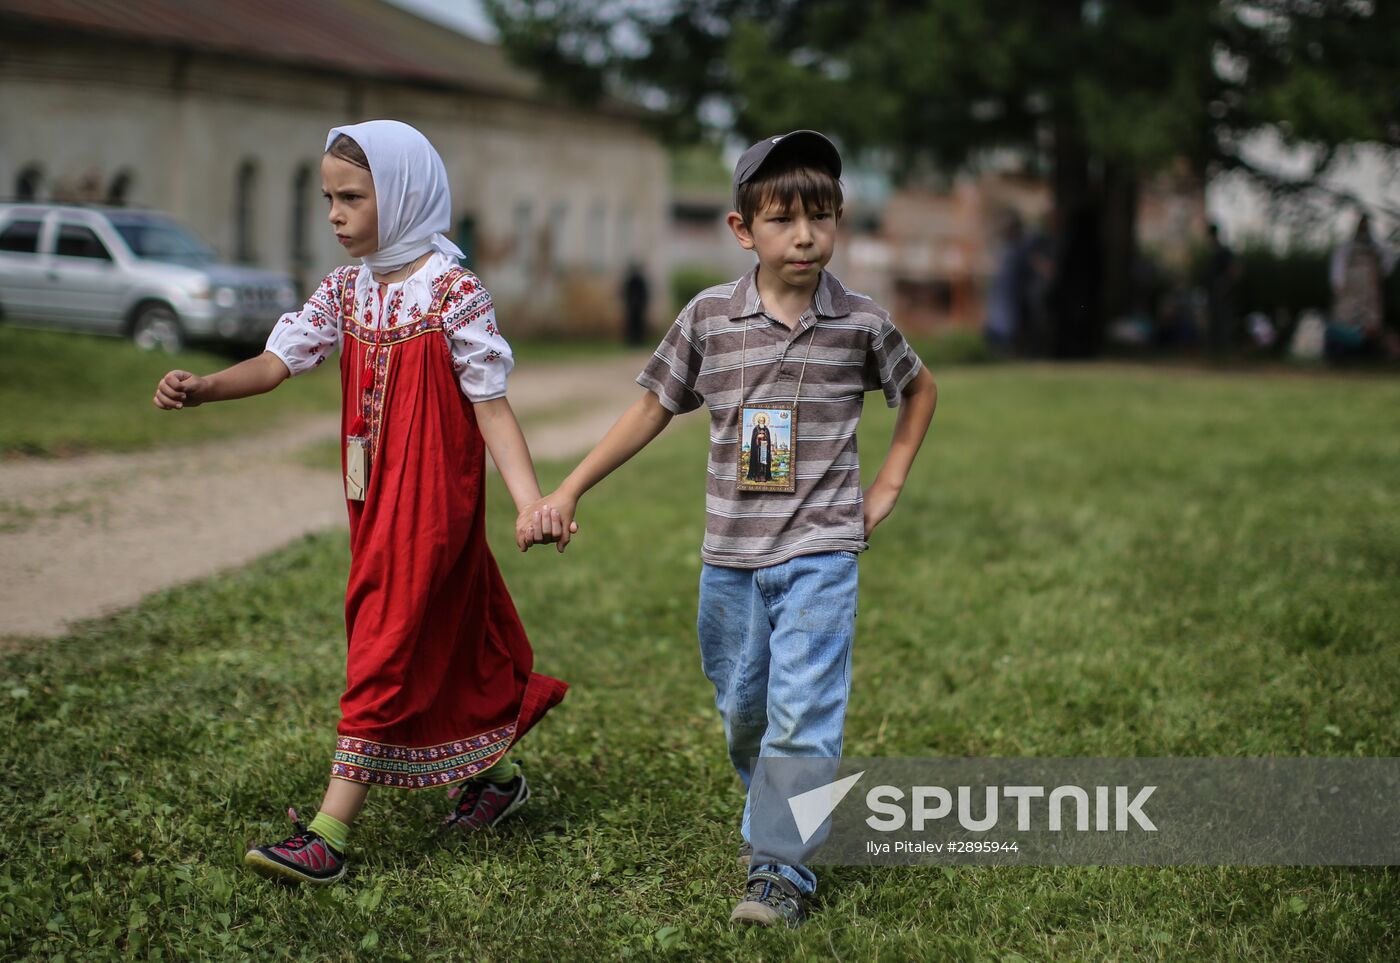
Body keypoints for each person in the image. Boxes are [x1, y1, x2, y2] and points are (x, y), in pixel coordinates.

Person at [517, 130, 937, 927]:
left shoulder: (859, 321)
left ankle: (781, 868)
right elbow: (650, 407)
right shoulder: (710, 318)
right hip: (731, 559)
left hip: (821, 549)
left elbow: (919, 391)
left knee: (803, 706)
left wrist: (886, 483)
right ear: (743, 229)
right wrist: (569, 488)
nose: (805, 235)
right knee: (745, 712)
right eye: (783, 219)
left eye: (821, 216)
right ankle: (781, 807)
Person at [152, 121, 568, 885]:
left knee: (383, 632)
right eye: (328, 199)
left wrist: (529, 499)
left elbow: (492, 406)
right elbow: (279, 362)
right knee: (442, 632)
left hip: (434, 501)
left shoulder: (451, 291)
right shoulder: (346, 289)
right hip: (371, 497)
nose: (336, 214)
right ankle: (498, 779)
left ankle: (329, 833)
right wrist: (206, 386)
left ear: (405, 193)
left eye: (352, 197)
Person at [621, 261, 650, 346]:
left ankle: (637, 341)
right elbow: (626, 292)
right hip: (633, 306)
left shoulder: (636, 280)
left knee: (638, 324)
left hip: (637, 306)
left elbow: (643, 293)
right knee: (632, 324)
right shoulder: (632, 280)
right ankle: (633, 341)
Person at [746, 413, 773, 482]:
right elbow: (753, 438)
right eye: (760, 420)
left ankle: (764, 477)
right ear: (758, 421)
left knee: (763, 462)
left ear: (764, 421)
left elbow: (768, 439)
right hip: (757, 449)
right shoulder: (755, 429)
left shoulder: (766, 429)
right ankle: (757, 477)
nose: (762, 421)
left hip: (764, 447)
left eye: (763, 420)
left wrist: (765, 437)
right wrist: (757, 437)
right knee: (757, 462)